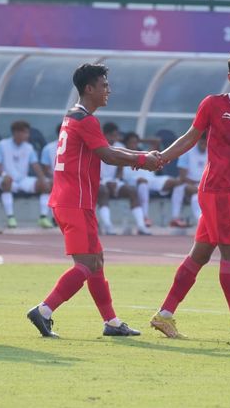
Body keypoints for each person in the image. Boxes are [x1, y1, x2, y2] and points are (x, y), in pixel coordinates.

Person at [26, 63, 158, 338]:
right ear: (89, 89)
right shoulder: (84, 119)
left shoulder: (75, 117)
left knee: (96, 261)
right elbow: (108, 156)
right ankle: (44, 310)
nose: (108, 90)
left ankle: (111, 322)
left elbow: (106, 149)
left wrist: (139, 156)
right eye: (104, 85)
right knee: (86, 265)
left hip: (71, 200)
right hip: (75, 202)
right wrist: (143, 160)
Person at [149, 49, 230, 341]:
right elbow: (191, 137)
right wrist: (163, 157)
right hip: (216, 189)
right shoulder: (213, 104)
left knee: (200, 254)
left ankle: (163, 315)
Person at [0, 120, 53, 229]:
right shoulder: (2, 145)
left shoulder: (28, 147)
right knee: (7, 181)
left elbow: (35, 165)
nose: (27, 135)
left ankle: (43, 217)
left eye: (27, 132)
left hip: (23, 180)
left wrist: (43, 179)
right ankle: (10, 217)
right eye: (25, 132)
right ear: (16, 133)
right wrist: (3, 174)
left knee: (45, 185)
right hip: (6, 178)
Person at [121, 132, 187, 227]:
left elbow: (157, 141)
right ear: (125, 143)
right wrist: (124, 140)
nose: (134, 144)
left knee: (178, 183)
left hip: (151, 179)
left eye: (136, 142)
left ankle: (175, 218)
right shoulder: (122, 154)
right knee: (143, 182)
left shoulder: (143, 152)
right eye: (131, 142)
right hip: (133, 181)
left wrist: (140, 140)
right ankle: (145, 217)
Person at [97, 122, 151, 235]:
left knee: (132, 190)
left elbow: (120, 169)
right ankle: (108, 226)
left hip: (114, 182)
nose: (114, 138)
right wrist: (104, 182)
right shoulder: (97, 146)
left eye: (116, 136)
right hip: (98, 182)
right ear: (104, 135)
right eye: (112, 135)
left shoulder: (119, 147)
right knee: (103, 191)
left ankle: (141, 226)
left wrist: (116, 181)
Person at [176, 133, 208, 224]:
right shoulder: (187, 152)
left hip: (205, 185)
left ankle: (203, 222)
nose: (204, 146)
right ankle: (175, 217)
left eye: (206, 144)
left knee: (195, 197)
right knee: (178, 188)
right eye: (202, 143)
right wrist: (198, 183)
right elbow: (182, 177)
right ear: (198, 141)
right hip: (189, 183)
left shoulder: (212, 151)